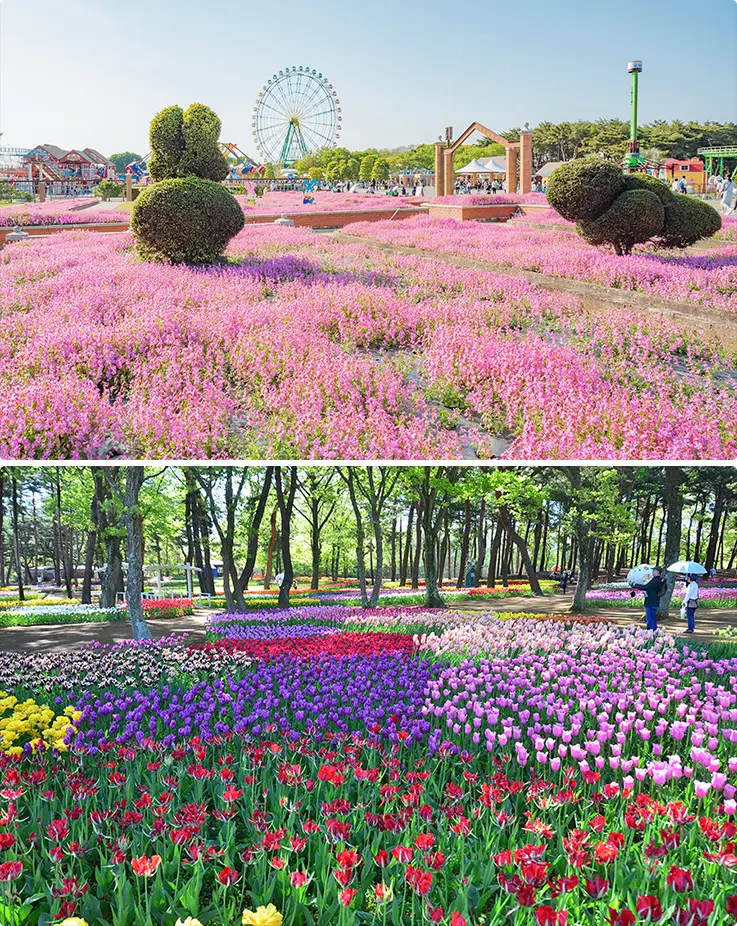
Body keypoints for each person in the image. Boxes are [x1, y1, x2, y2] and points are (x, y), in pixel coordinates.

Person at [633, 567, 664, 631]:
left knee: (650, 618)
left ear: (658, 572)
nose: (653, 572)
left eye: (654, 571)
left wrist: (635, 585)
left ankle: (651, 631)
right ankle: (654, 630)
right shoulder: (658, 580)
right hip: (654, 601)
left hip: (651, 602)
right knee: (652, 618)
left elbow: (646, 587)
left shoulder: (656, 580)